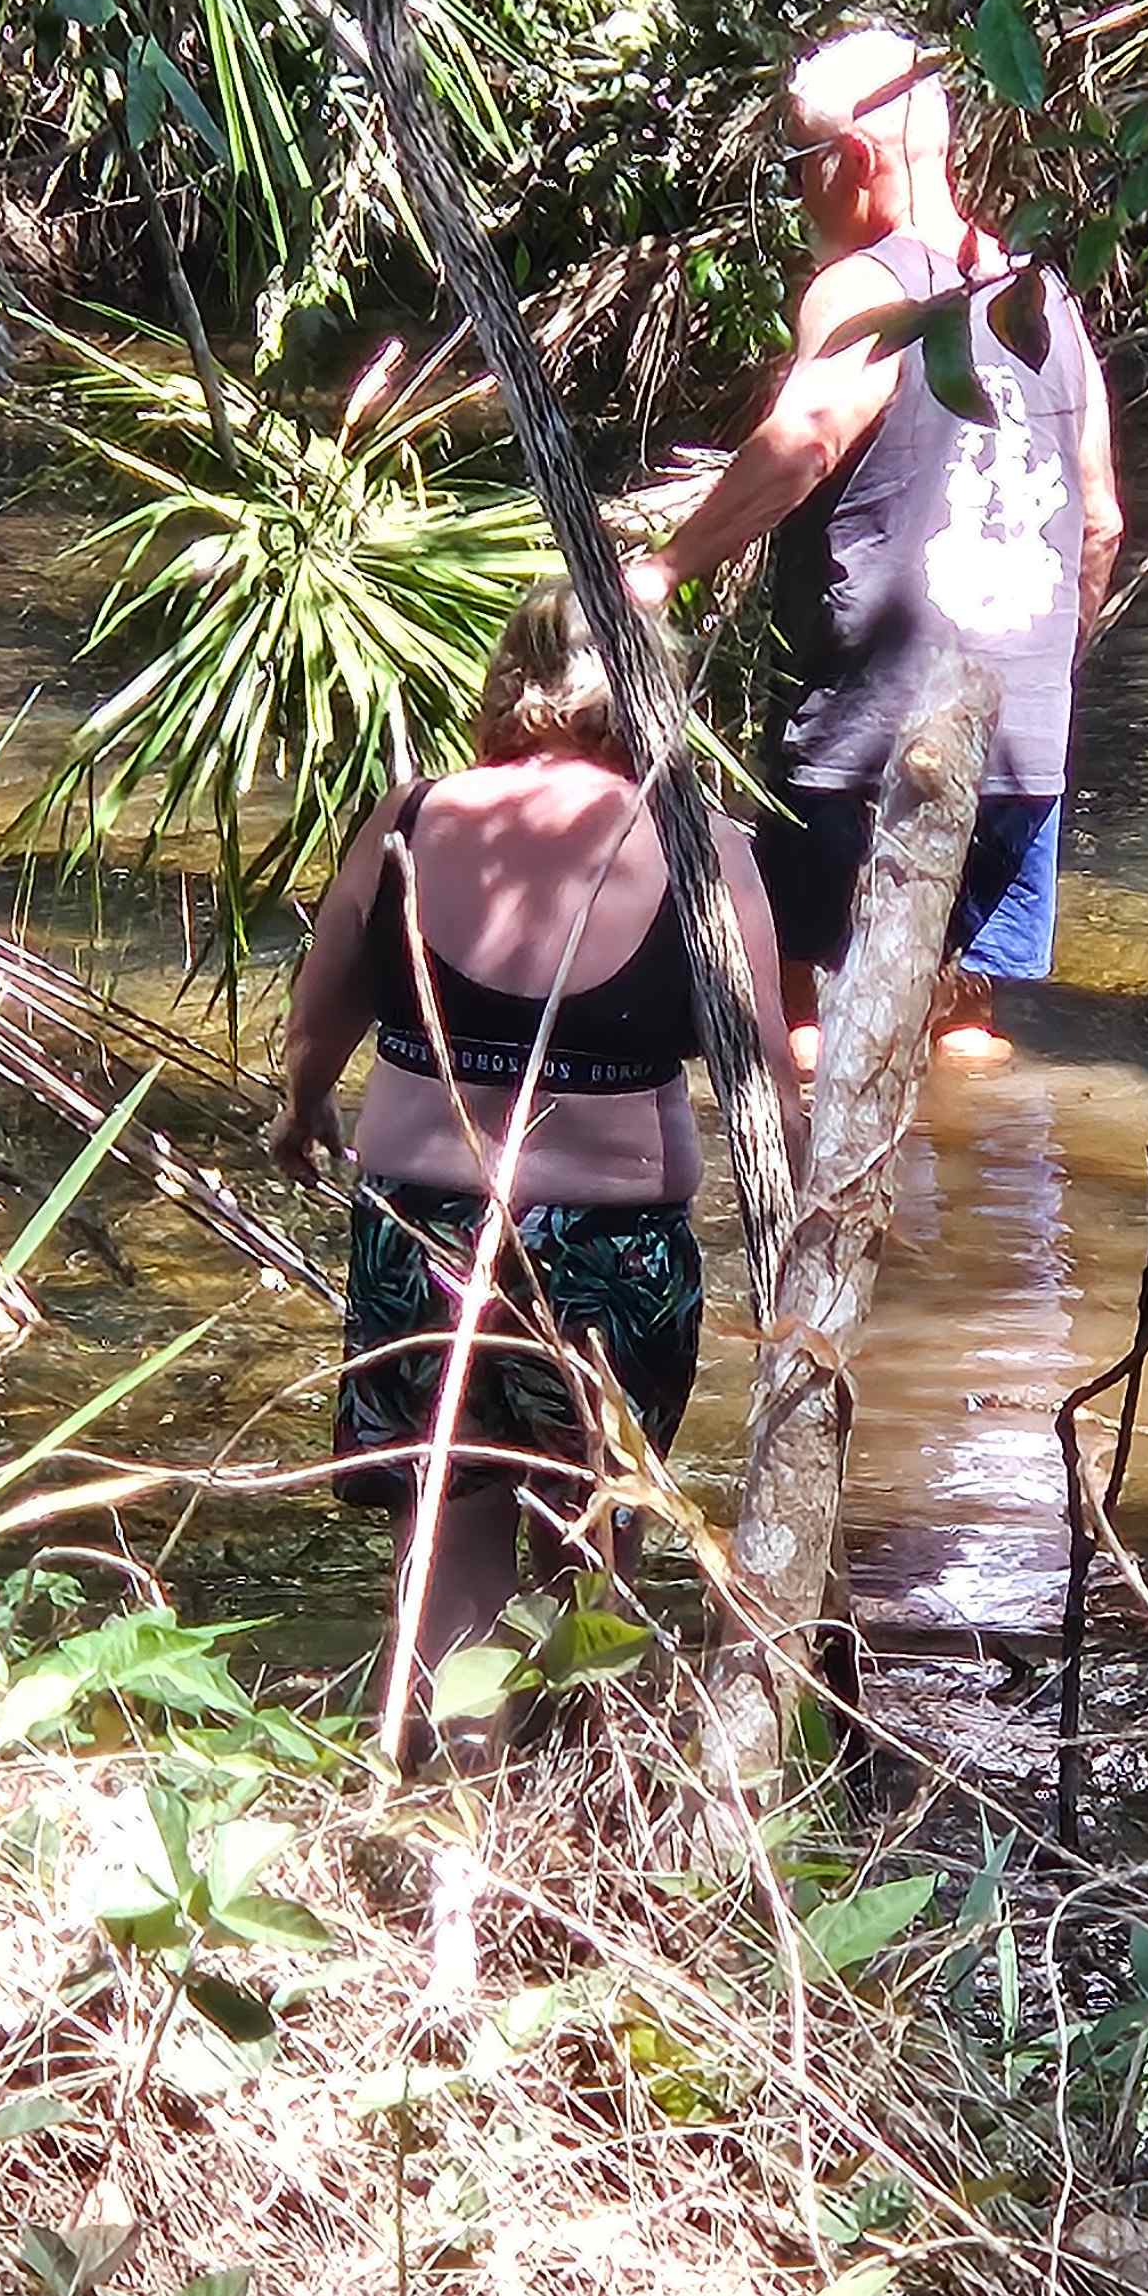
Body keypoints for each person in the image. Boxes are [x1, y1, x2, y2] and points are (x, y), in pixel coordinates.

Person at [269, 577, 799, 1751]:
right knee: (593, 1545)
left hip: (422, 1234)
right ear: (650, 689)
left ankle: (454, 1805)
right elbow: (763, 1083)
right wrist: (805, 1255)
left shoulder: (411, 818)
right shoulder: (703, 849)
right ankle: (572, 1835)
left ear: (510, 678)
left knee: (447, 1534)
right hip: (612, 1255)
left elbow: (318, 1026)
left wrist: (301, 1116)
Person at [630, 23, 1122, 1065]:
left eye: (799, 167)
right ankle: (992, 1221)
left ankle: (823, 1227)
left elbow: (807, 438)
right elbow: (1102, 520)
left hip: (869, 738)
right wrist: (1044, 675)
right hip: (1018, 740)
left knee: (811, 1028)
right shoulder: (1049, 302)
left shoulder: (866, 289)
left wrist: (667, 566)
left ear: (851, 163)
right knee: (967, 1035)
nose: (799, 196)